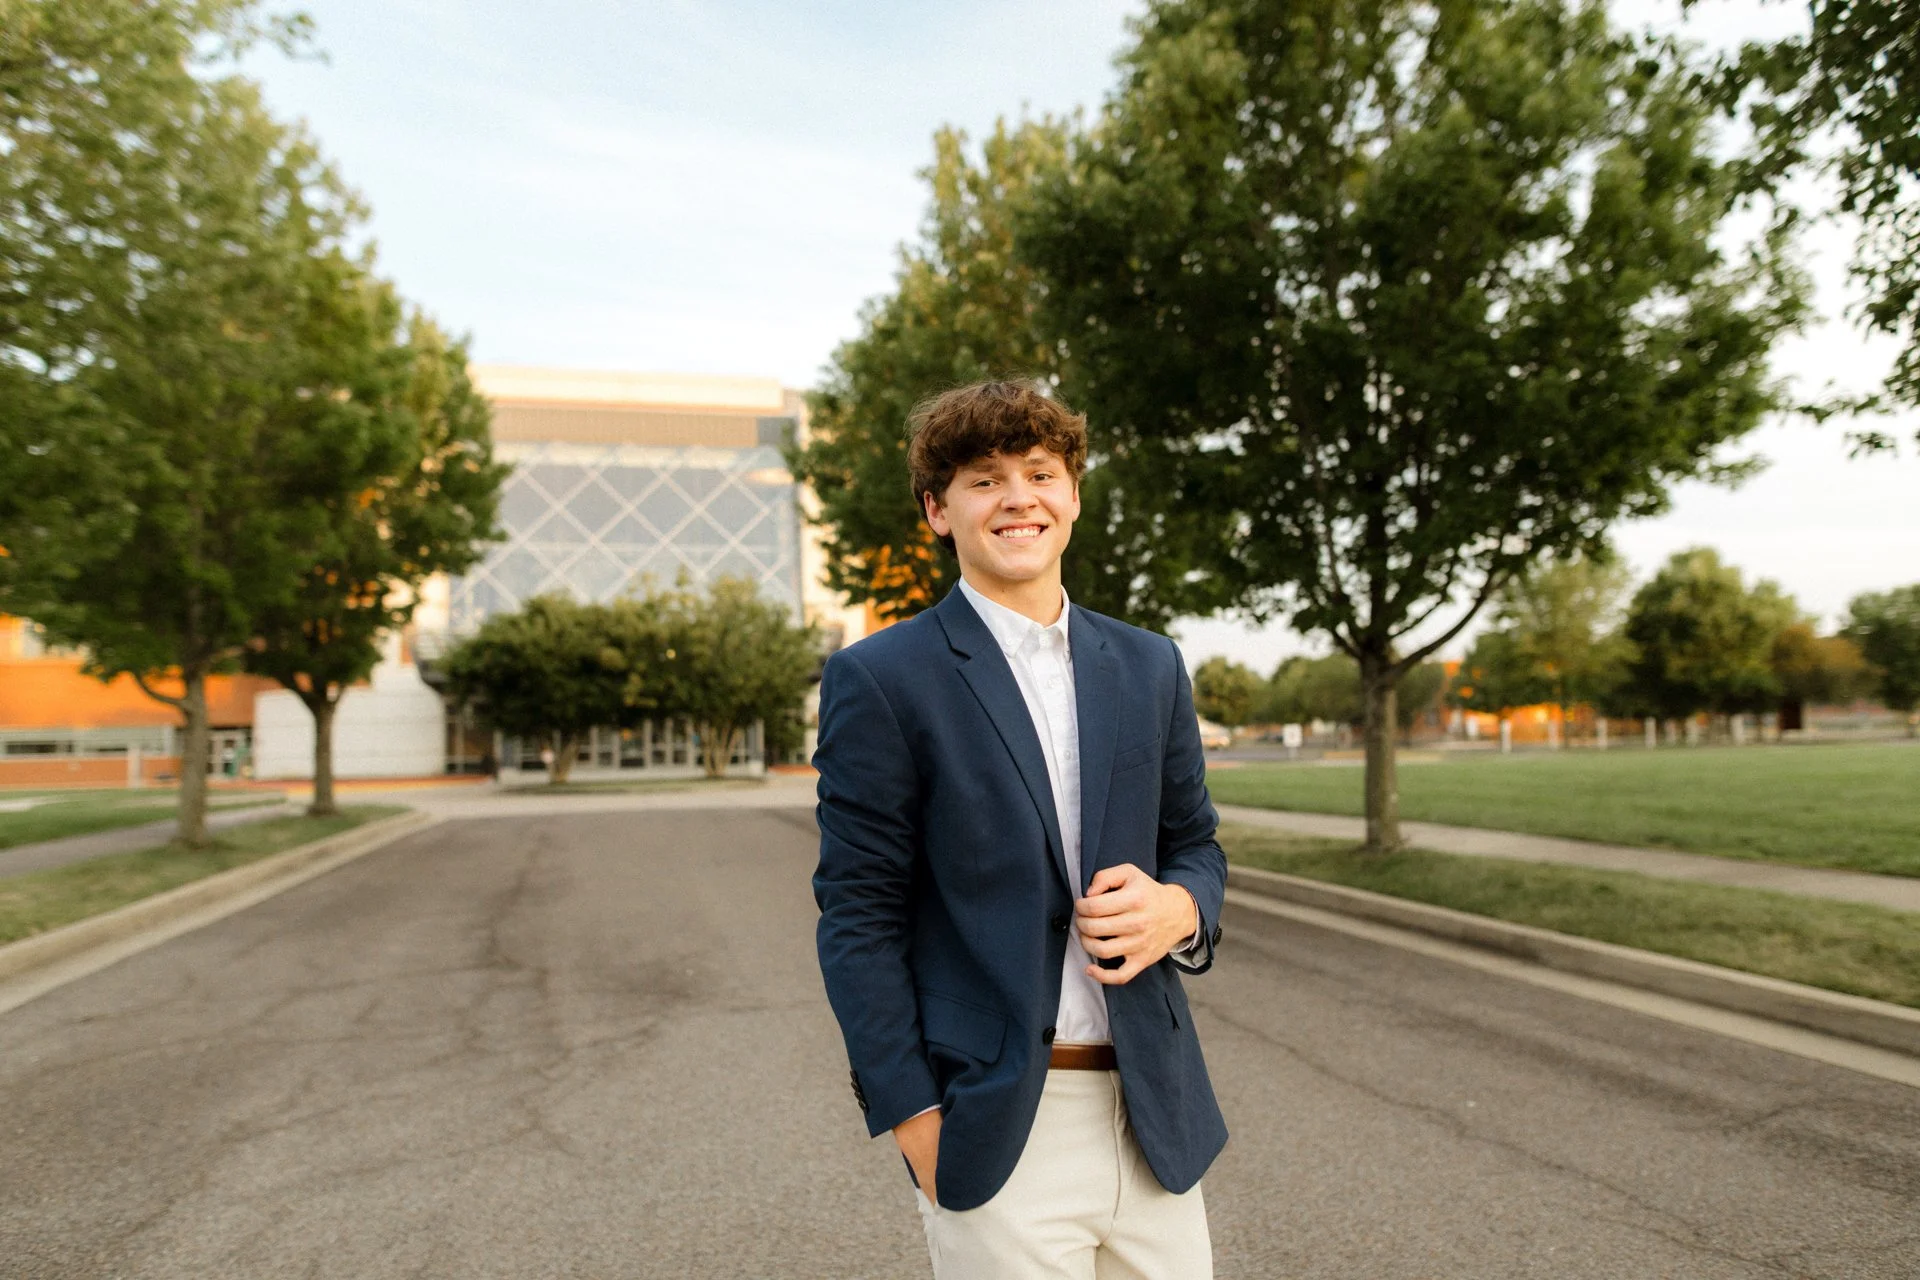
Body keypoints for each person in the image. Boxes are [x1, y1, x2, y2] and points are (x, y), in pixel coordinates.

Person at [812, 381, 1228, 1278]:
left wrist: (1180, 910)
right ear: (937, 510)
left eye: (1041, 474)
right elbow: (857, 915)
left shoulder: (1150, 664)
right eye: (984, 480)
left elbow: (1196, 842)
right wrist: (913, 1117)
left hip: (1157, 1118)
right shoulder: (881, 679)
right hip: (998, 1125)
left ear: (1073, 495)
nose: (1018, 498)